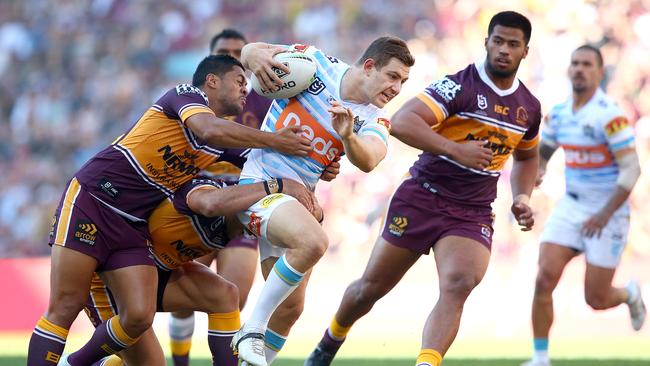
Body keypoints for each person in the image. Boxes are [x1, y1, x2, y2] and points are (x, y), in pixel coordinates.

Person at [27, 54, 311, 366]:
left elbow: (268, 164)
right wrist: (275, 141)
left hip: (133, 226)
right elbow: (208, 130)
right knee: (66, 304)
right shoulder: (185, 96)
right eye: (240, 81)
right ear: (212, 81)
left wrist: (318, 164)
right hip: (94, 200)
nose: (247, 90)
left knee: (138, 315)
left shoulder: (226, 139)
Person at [306, 11, 541, 366]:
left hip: (472, 210)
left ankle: (427, 363)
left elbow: (526, 158)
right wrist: (455, 149)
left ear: (525, 51)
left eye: (513, 44)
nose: (503, 50)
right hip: (423, 196)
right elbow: (402, 122)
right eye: (498, 41)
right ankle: (329, 341)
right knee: (371, 288)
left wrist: (523, 196)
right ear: (486, 42)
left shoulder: (529, 107)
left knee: (459, 283)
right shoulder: (459, 86)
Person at [232, 36, 415, 366]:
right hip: (259, 185)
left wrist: (347, 136)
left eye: (403, 82)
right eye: (392, 76)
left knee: (290, 309)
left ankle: (253, 346)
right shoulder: (314, 64)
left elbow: (370, 159)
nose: (397, 88)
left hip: (297, 204)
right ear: (369, 66)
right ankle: (252, 329)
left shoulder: (376, 119)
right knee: (314, 242)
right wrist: (251, 54)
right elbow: (252, 52)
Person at [167, 29, 341, 366]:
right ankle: (181, 362)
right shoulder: (191, 98)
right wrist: (276, 143)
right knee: (183, 291)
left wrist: (322, 162)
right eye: (225, 52)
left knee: (233, 297)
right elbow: (214, 136)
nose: (234, 57)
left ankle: (240, 349)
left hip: (248, 199)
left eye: (238, 51)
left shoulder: (267, 95)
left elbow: (301, 142)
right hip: (199, 199)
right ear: (211, 64)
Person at [85, 175, 319, 366]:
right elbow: (208, 202)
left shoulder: (238, 225)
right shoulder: (206, 191)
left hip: (155, 272)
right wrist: (276, 185)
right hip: (114, 276)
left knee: (225, 295)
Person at [520, 45, 645, 366]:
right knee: (544, 278)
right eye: (574, 63)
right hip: (571, 206)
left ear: (599, 72)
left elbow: (632, 170)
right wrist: (542, 168)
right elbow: (545, 148)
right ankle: (540, 357)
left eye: (587, 64)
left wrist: (604, 214)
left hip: (609, 212)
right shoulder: (560, 113)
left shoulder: (610, 116)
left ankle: (630, 293)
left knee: (597, 299)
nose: (579, 69)